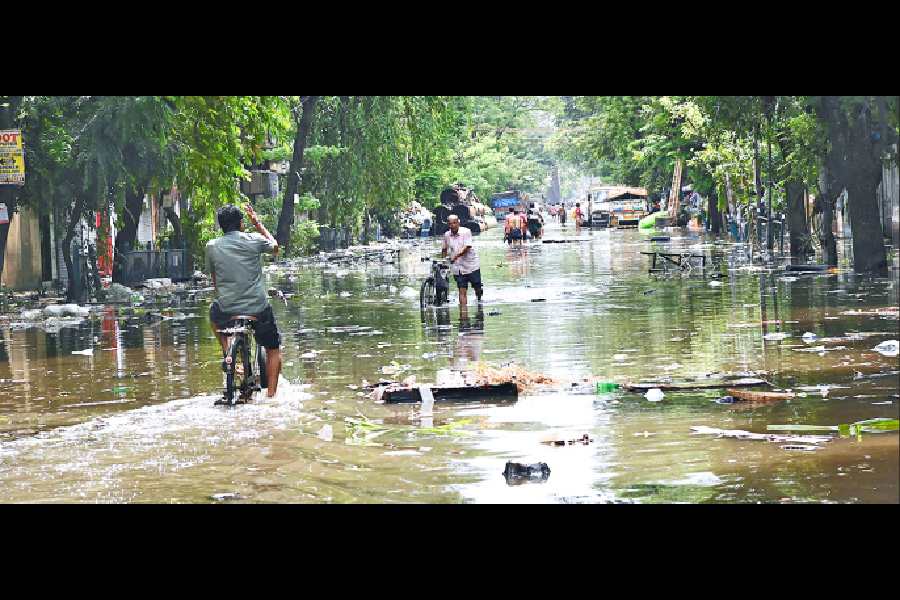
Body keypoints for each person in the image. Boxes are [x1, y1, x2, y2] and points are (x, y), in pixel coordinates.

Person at [205, 204, 283, 397]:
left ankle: (228, 352)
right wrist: (257, 223)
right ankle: (271, 396)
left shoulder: (212, 247)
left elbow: (214, 279)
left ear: (221, 226)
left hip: (227, 308)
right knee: (273, 349)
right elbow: (275, 247)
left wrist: (224, 297)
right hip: (257, 308)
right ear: (241, 224)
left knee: (213, 315)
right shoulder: (254, 240)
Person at [442, 214, 483, 308]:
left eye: (454, 223)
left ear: (458, 223)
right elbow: (444, 249)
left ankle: (479, 299)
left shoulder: (466, 232)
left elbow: (467, 247)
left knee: (477, 287)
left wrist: (455, 256)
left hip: (471, 265)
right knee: (462, 290)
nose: (452, 225)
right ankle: (463, 316)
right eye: (450, 223)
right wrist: (444, 261)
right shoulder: (447, 235)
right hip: (458, 268)